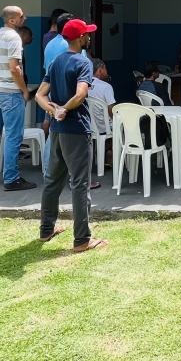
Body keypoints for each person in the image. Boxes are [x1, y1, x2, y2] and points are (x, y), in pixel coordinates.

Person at [35, 17, 106, 252]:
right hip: (76, 130)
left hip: (56, 131)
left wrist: (53, 110)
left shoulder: (56, 61)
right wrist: (64, 109)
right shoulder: (82, 62)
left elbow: (40, 95)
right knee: (80, 184)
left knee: (52, 181)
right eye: (87, 34)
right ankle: (82, 239)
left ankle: (46, 230)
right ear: (80, 38)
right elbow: (81, 93)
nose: (89, 36)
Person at [0, 6, 35, 191]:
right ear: (12, 20)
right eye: (21, 16)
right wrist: (24, 90)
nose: (24, 18)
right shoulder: (14, 37)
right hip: (10, 92)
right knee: (13, 135)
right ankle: (11, 178)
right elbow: (14, 68)